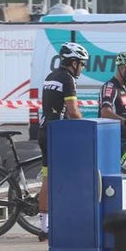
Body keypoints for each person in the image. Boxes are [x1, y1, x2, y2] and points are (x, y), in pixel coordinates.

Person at [36, 41, 90, 240]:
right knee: (68, 178)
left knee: (47, 179)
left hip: (44, 130)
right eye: (82, 64)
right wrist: (88, 126)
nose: (83, 68)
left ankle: (44, 228)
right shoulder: (68, 79)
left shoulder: (51, 77)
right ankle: (68, 220)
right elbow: (73, 112)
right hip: (57, 135)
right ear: (73, 62)